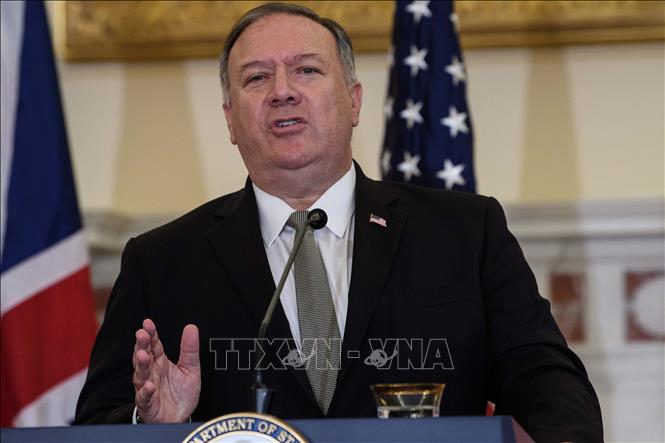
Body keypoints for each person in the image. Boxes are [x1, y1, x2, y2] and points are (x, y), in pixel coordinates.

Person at [75, 3, 603, 441]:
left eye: (307, 70)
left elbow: (547, 381)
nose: (282, 90)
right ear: (231, 119)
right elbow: (98, 421)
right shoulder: (161, 262)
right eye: (257, 77)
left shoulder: (466, 232)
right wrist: (153, 425)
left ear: (353, 101)